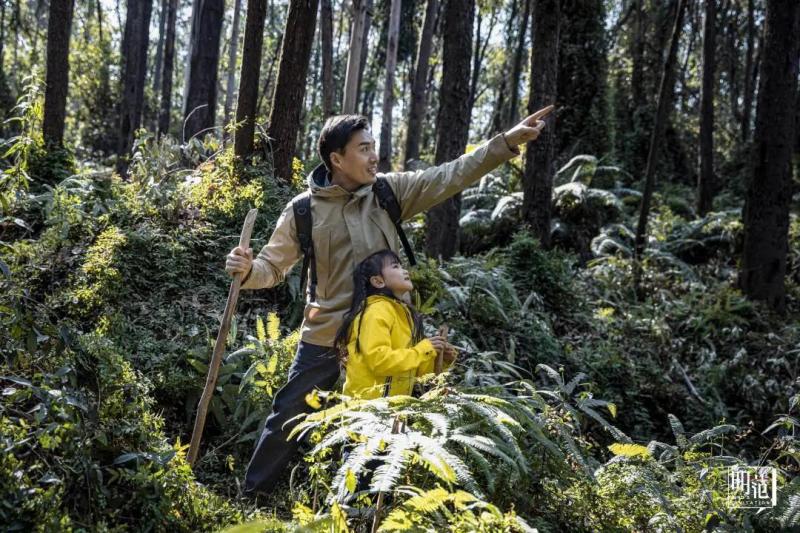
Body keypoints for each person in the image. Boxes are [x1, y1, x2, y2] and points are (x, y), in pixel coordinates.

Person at [225, 106, 553, 495]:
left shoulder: (389, 192)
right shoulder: (302, 211)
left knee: (381, 422)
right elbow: (271, 266)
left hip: (387, 335)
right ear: (337, 159)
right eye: (363, 149)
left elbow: (450, 174)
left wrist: (505, 143)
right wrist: (247, 270)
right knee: (290, 413)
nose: (373, 156)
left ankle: (364, 505)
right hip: (326, 333)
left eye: (373, 147)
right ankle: (253, 497)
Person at [334, 249, 457, 400]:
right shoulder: (376, 312)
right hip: (366, 407)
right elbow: (379, 362)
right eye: (395, 266)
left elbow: (413, 371)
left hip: (391, 408)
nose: (404, 270)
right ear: (378, 281)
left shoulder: (404, 314)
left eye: (402, 266)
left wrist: (440, 359)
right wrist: (423, 350)